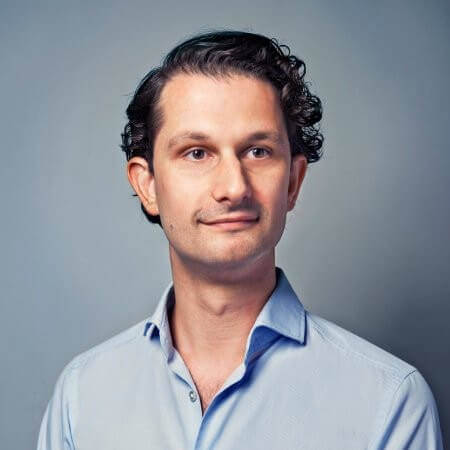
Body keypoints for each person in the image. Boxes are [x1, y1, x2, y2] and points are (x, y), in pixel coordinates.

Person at [37, 30, 444, 449]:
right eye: (197, 153)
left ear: (293, 182)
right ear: (148, 186)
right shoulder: (81, 398)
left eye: (257, 151)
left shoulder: (389, 404)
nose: (233, 187)